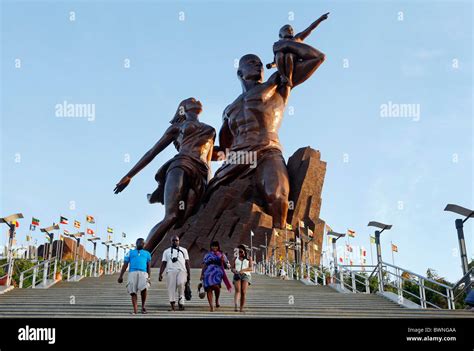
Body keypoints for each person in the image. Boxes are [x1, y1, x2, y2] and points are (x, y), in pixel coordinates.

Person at [114, 98, 216, 253]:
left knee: (185, 218)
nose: (196, 100)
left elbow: (209, 158)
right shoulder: (177, 127)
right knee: (172, 216)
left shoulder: (210, 129)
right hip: (180, 165)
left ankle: (168, 251)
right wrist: (129, 176)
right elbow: (152, 152)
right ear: (183, 109)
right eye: (191, 100)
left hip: (201, 172)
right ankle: (142, 255)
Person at [266, 13, 329, 87]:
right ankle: (282, 76)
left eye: (292, 29)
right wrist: (271, 65)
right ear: (280, 34)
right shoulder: (277, 44)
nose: (291, 30)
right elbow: (276, 61)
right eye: (287, 29)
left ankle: (289, 78)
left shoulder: (297, 38)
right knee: (280, 54)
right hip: (283, 65)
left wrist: (320, 19)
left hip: (294, 61)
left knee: (289, 55)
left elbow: (310, 28)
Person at [117, 238, 151, 314]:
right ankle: (135, 310)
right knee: (133, 291)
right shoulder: (130, 252)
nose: (142, 244)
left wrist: (149, 277)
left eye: (143, 243)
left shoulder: (147, 253)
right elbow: (125, 264)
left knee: (144, 289)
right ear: (136, 243)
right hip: (132, 273)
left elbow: (149, 266)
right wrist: (121, 276)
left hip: (143, 273)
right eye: (140, 243)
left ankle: (143, 307)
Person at [159, 235, 190, 311]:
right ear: (171, 241)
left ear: (179, 241)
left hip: (182, 270)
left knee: (181, 283)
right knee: (171, 288)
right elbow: (163, 263)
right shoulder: (166, 251)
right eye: (173, 240)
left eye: (176, 240)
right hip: (170, 271)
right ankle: (173, 306)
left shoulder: (184, 250)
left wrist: (189, 274)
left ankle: (181, 301)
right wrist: (160, 273)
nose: (175, 242)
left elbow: (187, 262)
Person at [201, 241, 232, 312]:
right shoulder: (207, 255)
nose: (214, 247)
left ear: (218, 247)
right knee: (208, 288)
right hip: (208, 273)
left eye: (216, 246)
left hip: (217, 273)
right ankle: (211, 306)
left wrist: (223, 261)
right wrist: (202, 274)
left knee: (216, 287)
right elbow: (205, 265)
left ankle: (217, 300)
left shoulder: (222, 254)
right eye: (213, 246)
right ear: (211, 247)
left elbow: (226, 265)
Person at [232, 245, 253, 312]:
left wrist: (243, 270)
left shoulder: (249, 258)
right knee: (238, 290)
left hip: (246, 275)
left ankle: (241, 308)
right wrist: (234, 270)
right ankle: (236, 306)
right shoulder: (235, 258)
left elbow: (251, 268)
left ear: (244, 251)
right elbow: (232, 268)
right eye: (238, 252)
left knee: (243, 292)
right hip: (237, 275)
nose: (240, 253)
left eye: (241, 252)